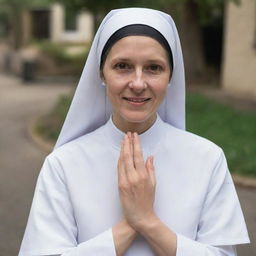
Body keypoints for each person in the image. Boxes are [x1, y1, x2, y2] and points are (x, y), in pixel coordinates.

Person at [18, 7, 250, 256]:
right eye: (122, 66)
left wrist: (147, 221)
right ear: (101, 73)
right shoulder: (62, 165)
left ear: (171, 75)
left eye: (153, 68)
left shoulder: (208, 159)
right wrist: (131, 224)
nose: (138, 83)